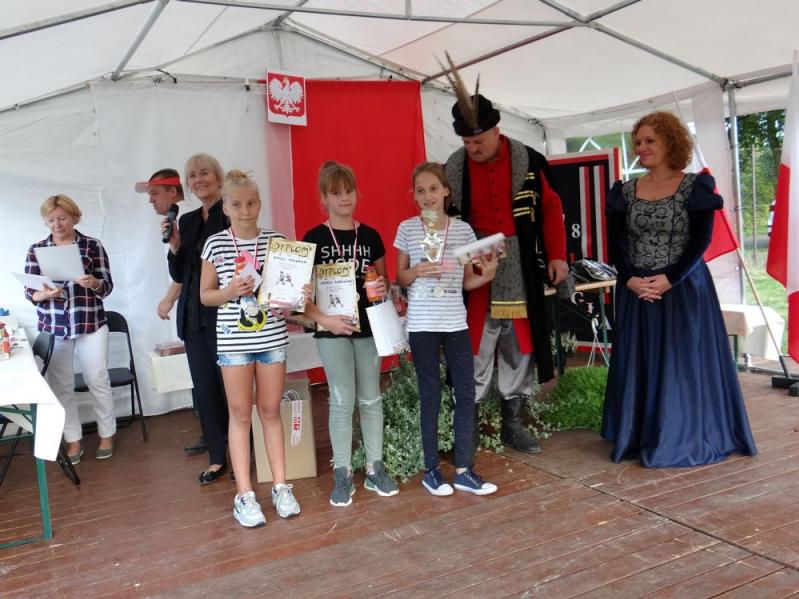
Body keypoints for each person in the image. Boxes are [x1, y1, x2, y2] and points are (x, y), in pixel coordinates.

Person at [602, 111, 757, 467]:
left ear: (671, 142)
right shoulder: (624, 190)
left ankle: (678, 435)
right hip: (637, 290)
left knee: (680, 362)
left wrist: (671, 279)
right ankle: (639, 434)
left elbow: (701, 240)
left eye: (649, 140)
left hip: (683, 289)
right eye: (638, 142)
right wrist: (630, 278)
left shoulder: (695, 186)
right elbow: (617, 242)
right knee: (641, 362)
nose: (641, 147)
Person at [445, 94, 568, 454]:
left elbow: (551, 207)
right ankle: (468, 425)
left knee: (519, 343)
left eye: (479, 141)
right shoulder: (453, 166)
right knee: (475, 345)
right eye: (467, 142)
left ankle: (512, 424)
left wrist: (557, 255)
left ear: (497, 131)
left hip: (520, 264)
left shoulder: (530, 159)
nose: (472, 149)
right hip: (474, 267)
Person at [199, 169, 301, 527]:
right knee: (240, 415)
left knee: (271, 411)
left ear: (260, 204)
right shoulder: (215, 244)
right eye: (237, 204)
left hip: (271, 338)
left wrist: (298, 295)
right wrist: (230, 291)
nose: (245, 210)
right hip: (234, 343)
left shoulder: (277, 241)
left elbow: (289, 297)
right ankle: (244, 494)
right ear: (225, 207)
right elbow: (205, 296)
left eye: (251, 203)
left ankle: (281, 486)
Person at [395, 162, 499, 496]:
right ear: (414, 196)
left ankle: (464, 470)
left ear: (445, 191)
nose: (427, 196)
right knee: (431, 395)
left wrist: (487, 274)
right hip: (422, 324)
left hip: (455, 322)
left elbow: (468, 281)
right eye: (420, 191)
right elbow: (400, 277)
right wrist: (417, 271)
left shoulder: (463, 231)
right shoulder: (407, 228)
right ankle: (431, 471)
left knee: (465, 393)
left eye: (433, 189)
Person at [302, 161, 399, 507]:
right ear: (324, 198)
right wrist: (325, 320)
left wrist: (383, 286)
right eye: (336, 192)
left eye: (349, 191)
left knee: (371, 399)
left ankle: (375, 468)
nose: (344, 197)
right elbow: (302, 299)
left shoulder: (370, 236)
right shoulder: (313, 238)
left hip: (367, 329)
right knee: (342, 400)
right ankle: (342, 472)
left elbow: (384, 285)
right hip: (331, 332)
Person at [24, 194, 115, 463]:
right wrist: (44, 294)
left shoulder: (92, 245)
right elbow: (30, 292)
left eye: (62, 218)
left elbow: (107, 285)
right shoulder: (36, 250)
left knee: (97, 379)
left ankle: (107, 435)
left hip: (90, 322)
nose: (57, 224)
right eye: (51, 220)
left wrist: (93, 283)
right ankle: (73, 439)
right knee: (61, 386)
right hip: (55, 325)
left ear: (75, 217)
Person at [165, 154, 229, 484]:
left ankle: (244, 453)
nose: (198, 179)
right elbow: (180, 274)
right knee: (204, 390)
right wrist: (176, 247)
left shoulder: (231, 213)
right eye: (192, 175)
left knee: (230, 389)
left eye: (204, 173)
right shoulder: (187, 221)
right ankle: (217, 457)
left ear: (218, 178)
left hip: (225, 315)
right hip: (192, 319)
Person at [136, 168, 206, 456]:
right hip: (191, 312)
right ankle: (210, 432)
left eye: (154, 193)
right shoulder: (175, 221)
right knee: (200, 378)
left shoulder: (189, 219)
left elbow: (191, 271)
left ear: (173, 191)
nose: (150, 200)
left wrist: (168, 299)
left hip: (202, 312)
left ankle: (215, 434)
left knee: (207, 379)